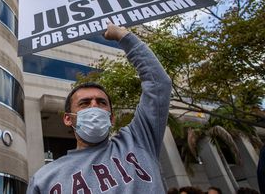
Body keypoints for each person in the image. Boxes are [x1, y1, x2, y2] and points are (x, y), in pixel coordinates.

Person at [26, 23, 172, 193]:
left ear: (111, 118)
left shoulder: (139, 140)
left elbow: (159, 84)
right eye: (84, 103)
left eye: (101, 102)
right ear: (68, 118)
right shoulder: (43, 179)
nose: (94, 106)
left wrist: (123, 36)